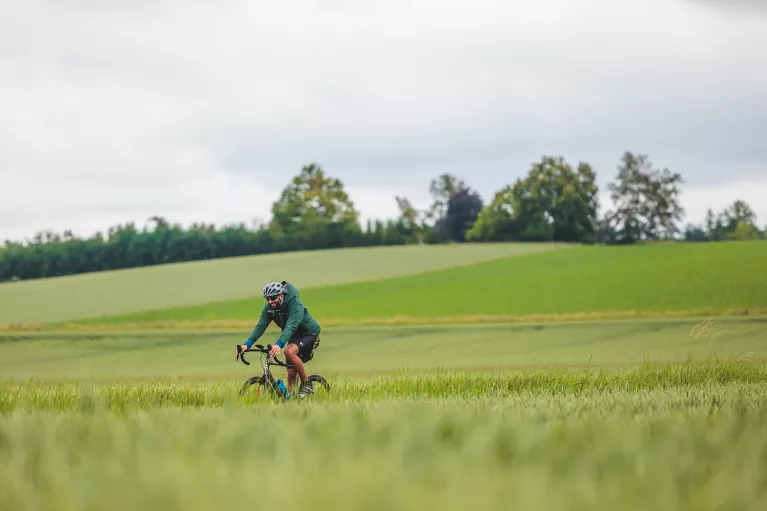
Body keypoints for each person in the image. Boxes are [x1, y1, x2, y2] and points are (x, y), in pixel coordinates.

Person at [235, 281, 321, 398]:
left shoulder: (295, 305)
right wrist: (247, 345)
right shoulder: (269, 308)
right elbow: (260, 326)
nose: (270, 301)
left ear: (281, 295)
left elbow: (290, 327)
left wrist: (279, 344)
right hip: (294, 337)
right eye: (267, 299)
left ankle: (307, 383)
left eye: (273, 298)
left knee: (288, 351)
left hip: (309, 334)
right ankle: (291, 402)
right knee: (291, 373)